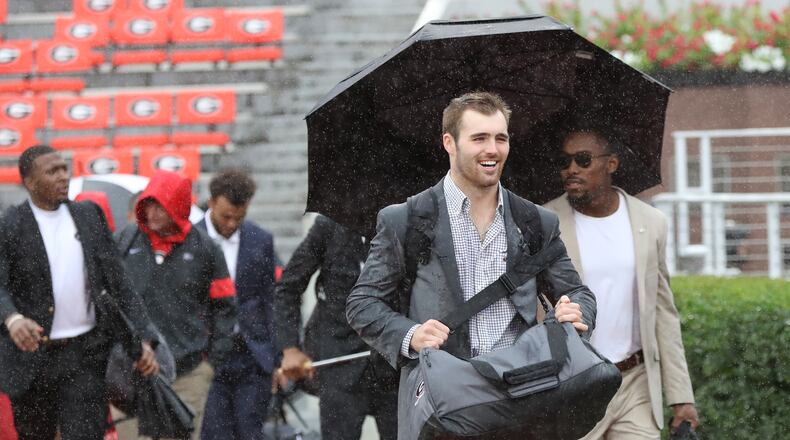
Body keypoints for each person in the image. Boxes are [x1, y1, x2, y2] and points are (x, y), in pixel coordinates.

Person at [345, 92, 596, 438]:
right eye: (479, 138)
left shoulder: (537, 222)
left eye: (500, 138)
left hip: (521, 396)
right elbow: (362, 304)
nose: (492, 149)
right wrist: (410, 334)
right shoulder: (406, 220)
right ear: (449, 142)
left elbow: (578, 292)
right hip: (443, 403)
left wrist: (576, 311)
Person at [543, 129, 699, 439]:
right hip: (575, 385)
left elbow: (663, 312)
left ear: (611, 164)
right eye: (565, 161)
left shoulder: (651, 222)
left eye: (583, 160)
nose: (572, 169)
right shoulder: (545, 221)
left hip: (635, 382)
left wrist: (682, 397)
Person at [0, 145, 159, 440]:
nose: (63, 176)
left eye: (64, 168)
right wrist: (12, 318)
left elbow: (119, 283)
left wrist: (144, 336)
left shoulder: (89, 216)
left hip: (84, 355)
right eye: (52, 171)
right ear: (30, 182)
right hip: (34, 359)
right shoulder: (10, 225)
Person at [116, 170, 237, 439]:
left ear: (179, 206)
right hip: (131, 373)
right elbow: (107, 297)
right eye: (149, 205)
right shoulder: (125, 241)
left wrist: (211, 362)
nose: (154, 213)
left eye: (161, 205)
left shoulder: (206, 249)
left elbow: (226, 307)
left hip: (187, 373)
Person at [275, 214, 399, 440]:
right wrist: (289, 348)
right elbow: (287, 287)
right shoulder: (328, 226)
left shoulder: (407, 222)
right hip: (338, 361)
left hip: (394, 364)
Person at [196, 169, 279, 440]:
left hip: (252, 358)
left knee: (250, 434)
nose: (231, 224)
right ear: (211, 203)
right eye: (225, 216)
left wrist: (277, 355)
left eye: (239, 218)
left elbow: (272, 300)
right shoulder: (190, 242)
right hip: (207, 357)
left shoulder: (260, 240)